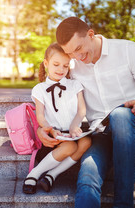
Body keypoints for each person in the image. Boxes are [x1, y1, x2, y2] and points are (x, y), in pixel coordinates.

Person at [37, 17, 135, 207]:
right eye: (70, 53)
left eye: (79, 48)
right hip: (100, 133)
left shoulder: (128, 51)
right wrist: (43, 128)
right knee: (87, 177)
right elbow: (50, 94)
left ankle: (123, 203)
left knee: (120, 115)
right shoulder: (72, 65)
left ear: (91, 34)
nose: (77, 57)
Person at [23, 43, 92, 194]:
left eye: (65, 66)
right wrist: (50, 130)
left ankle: (52, 175)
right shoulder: (39, 89)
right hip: (54, 136)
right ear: (46, 63)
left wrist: (74, 126)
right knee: (70, 147)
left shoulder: (74, 85)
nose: (61, 69)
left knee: (86, 142)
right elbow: (40, 115)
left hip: (73, 132)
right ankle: (34, 173)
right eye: (56, 65)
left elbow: (82, 110)